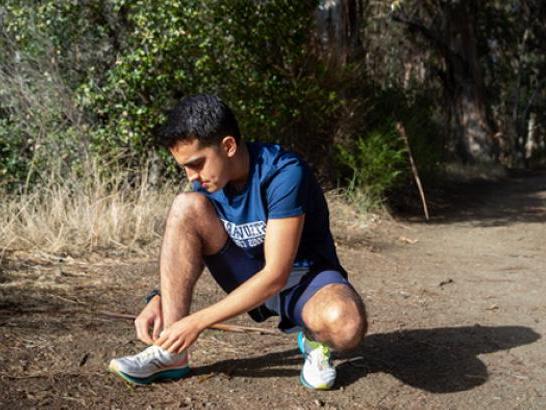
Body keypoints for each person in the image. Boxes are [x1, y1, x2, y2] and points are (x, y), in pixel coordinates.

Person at [109, 94, 367, 390]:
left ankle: (314, 340)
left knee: (346, 325)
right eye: (184, 167)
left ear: (228, 146)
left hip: (304, 279)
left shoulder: (284, 172)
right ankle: (171, 352)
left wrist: (197, 321)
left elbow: (276, 275)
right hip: (248, 272)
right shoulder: (208, 180)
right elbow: (187, 247)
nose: (191, 176)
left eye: (196, 164)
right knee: (185, 206)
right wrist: (160, 299)